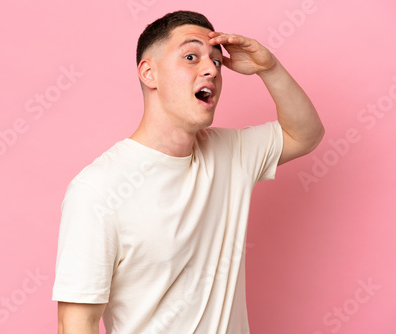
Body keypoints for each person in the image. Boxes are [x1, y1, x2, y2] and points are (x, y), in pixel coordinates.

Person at [52, 10, 324, 334]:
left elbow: (306, 134)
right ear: (149, 74)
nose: (210, 69)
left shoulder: (232, 154)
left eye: (217, 61)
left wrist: (270, 68)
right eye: (191, 56)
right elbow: (76, 323)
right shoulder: (97, 190)